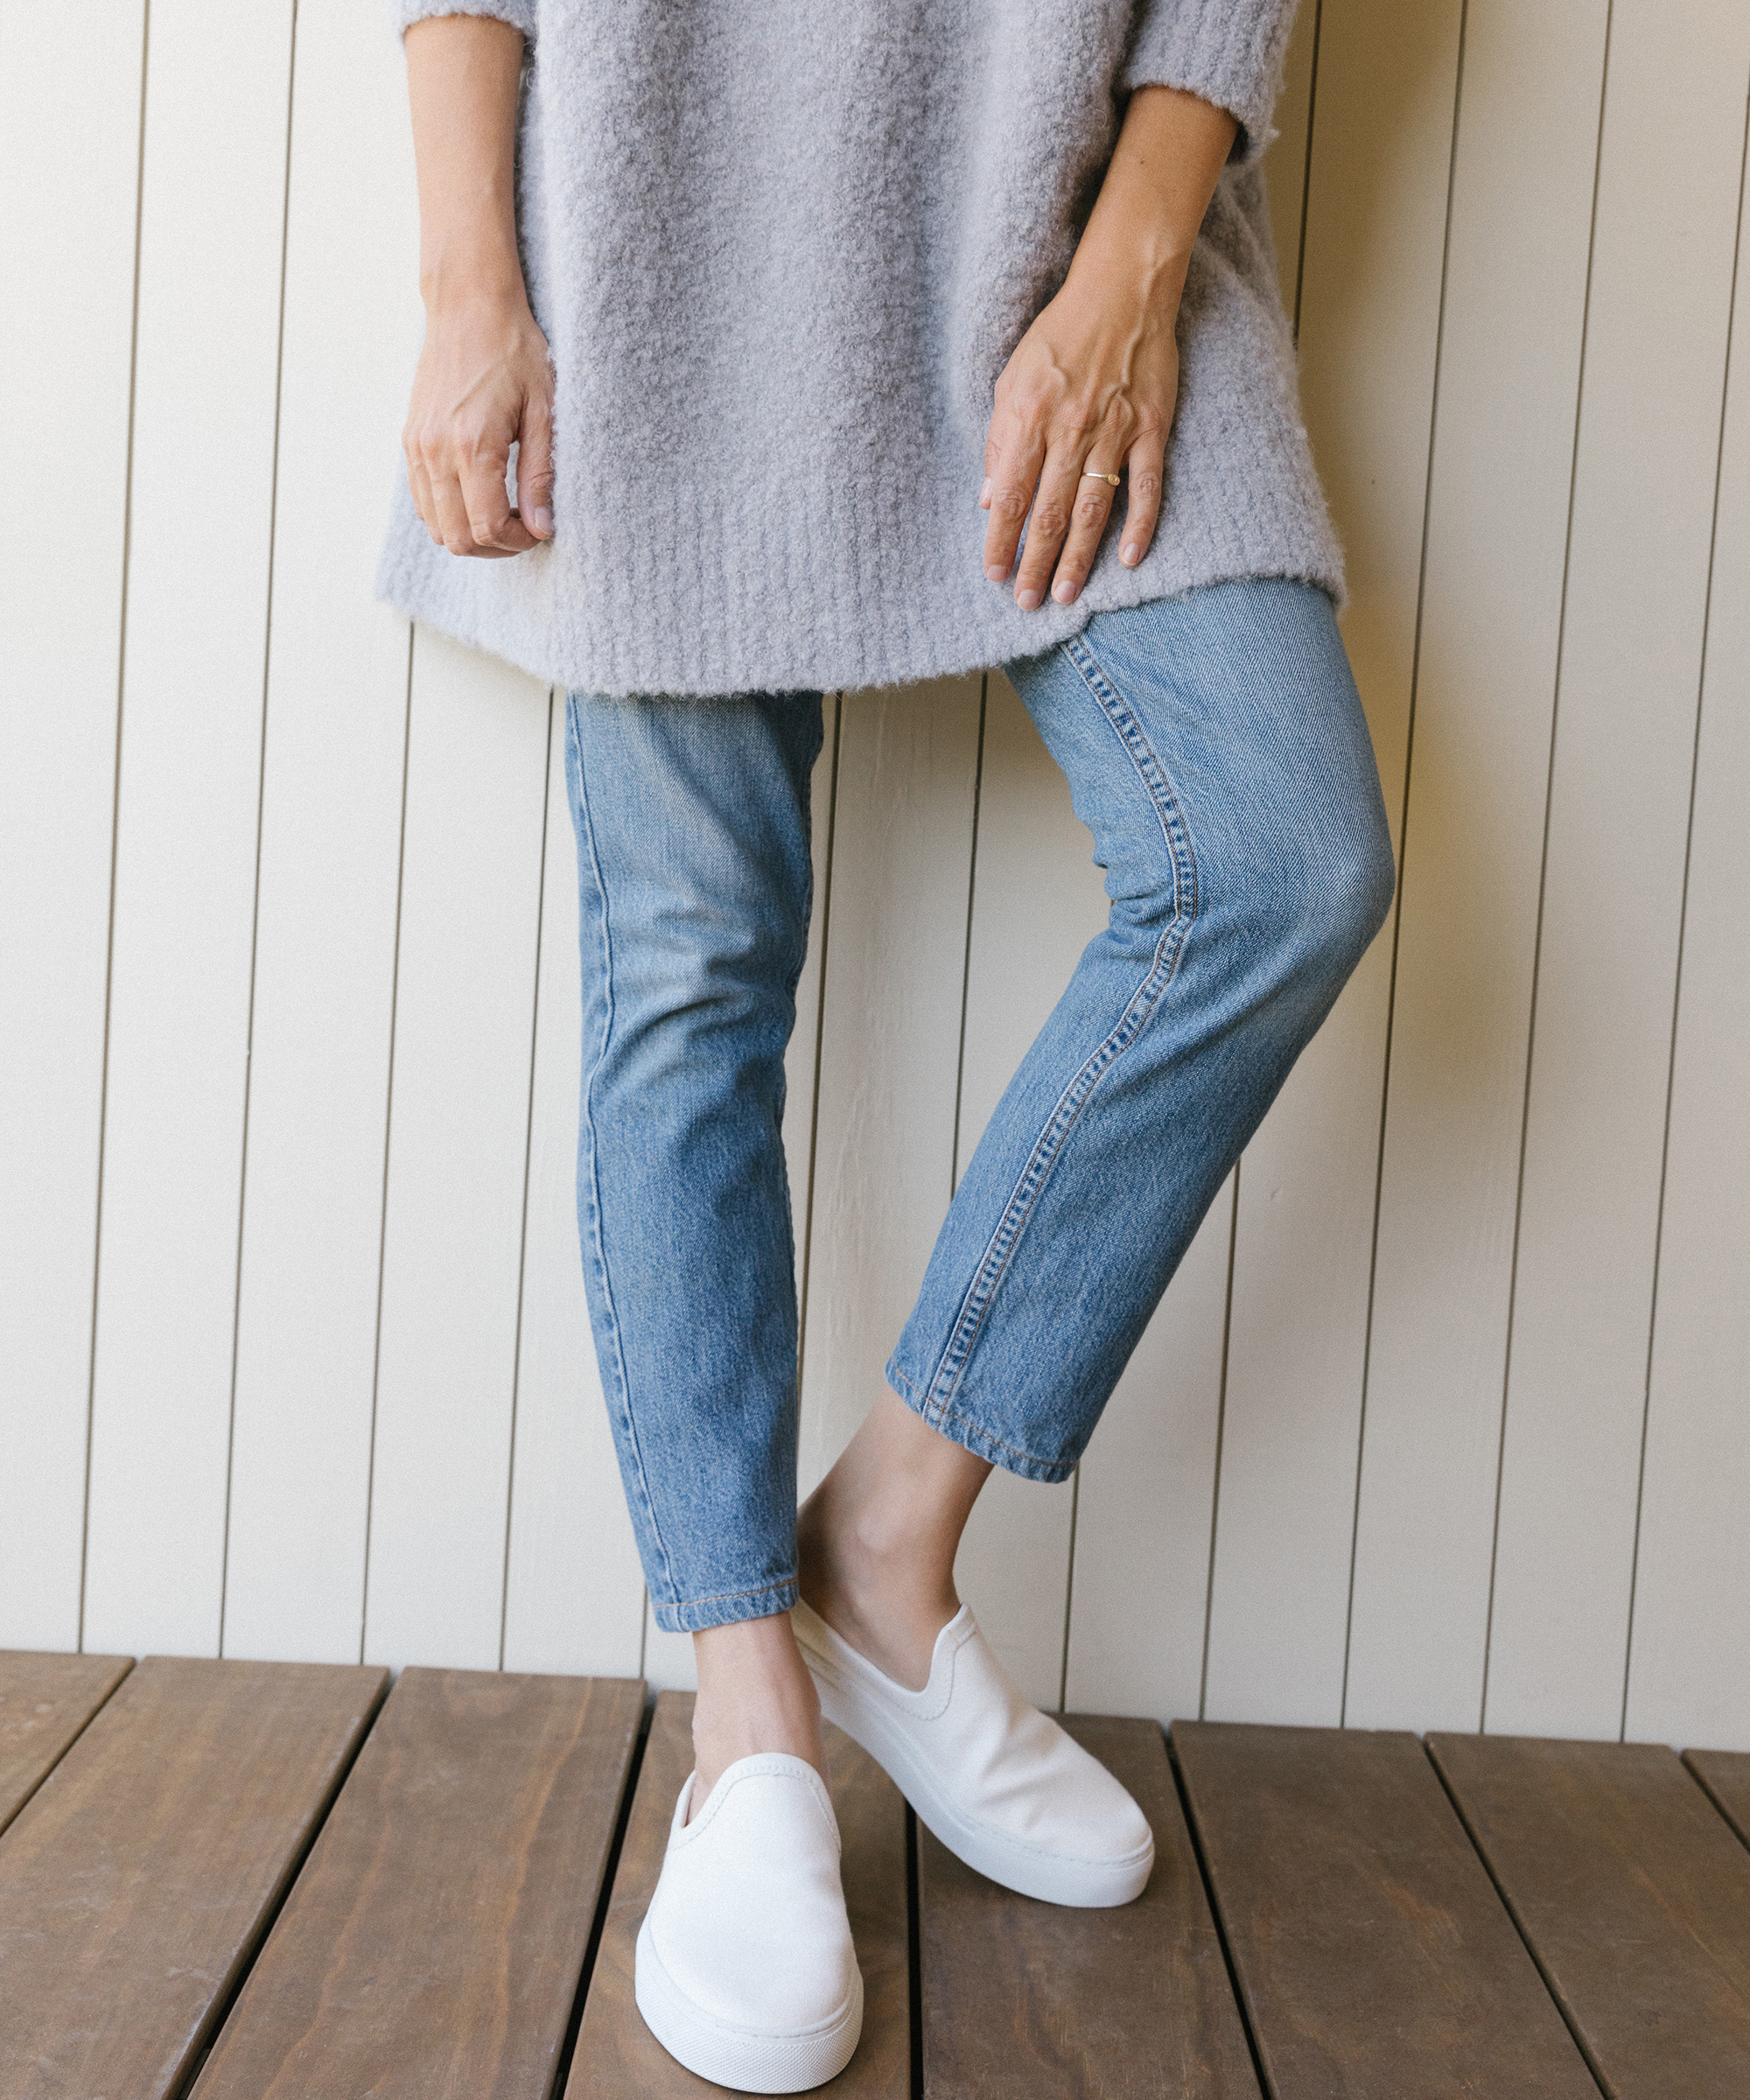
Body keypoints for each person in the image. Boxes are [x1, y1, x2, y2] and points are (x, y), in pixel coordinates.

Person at [382, 2, 1394, 2087]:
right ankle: (743, 1697)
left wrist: (1127, 268)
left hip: (1076, 196)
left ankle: (884, 1533)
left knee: (1277, 860)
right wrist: (471, 280)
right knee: (691, 959)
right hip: (656, 231)